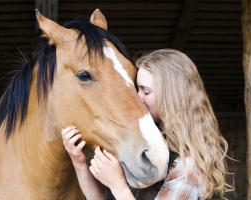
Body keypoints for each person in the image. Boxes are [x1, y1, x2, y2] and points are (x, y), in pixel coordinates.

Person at [61, 49, 231, 200]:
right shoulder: (147, 144)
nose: (137, 98)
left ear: (171, 97)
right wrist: (79, 163)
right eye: (137, 89)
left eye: (146, 91)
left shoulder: (189, 165)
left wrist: (118, 186)